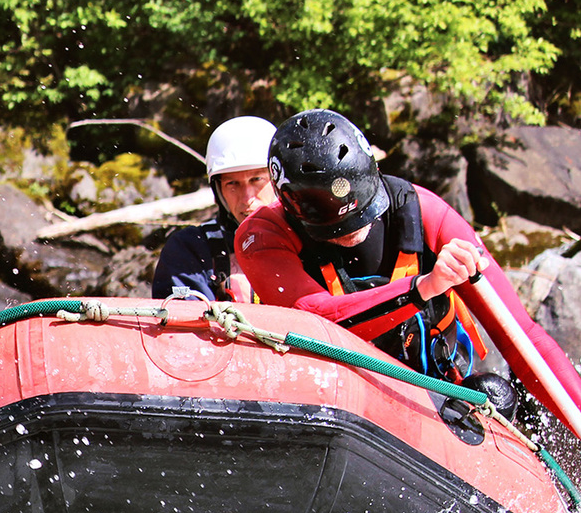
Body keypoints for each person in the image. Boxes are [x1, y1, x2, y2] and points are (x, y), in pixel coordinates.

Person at [234, 108, 581, 433]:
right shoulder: (260, 236)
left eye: (365, 214)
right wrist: (422, 288)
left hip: (436, 389)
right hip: (337, 396)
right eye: (337, 229)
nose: (355, 232)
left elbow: (522, 336)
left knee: (496, 395)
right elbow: (316, 319)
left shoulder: (426, 212)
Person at [152, 115, 277, 301]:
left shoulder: (311, 240)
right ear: (218, 191)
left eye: (257, 180)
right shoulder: (189, 249)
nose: (247, 198)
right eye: (233, 183)